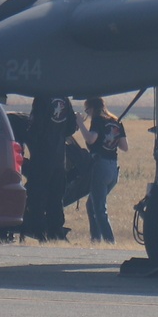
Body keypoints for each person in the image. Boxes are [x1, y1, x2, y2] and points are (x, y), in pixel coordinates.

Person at [23, 95, 80, 241]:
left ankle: (39, 231)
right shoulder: (65, 99)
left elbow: (35, 127)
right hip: (59, 158)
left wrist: (32, 144)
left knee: (37, 195)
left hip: (41, 157)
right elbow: (71, 127)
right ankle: (55, 231)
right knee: (56, 198)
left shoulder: (42, 98)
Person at [82, 95, 128, 245]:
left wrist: (79, 124)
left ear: (93, 108)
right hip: (113, 168)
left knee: (100, 209)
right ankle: (95, 241)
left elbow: (91, 139)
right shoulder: (116, 122)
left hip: (100, 166)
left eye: (87, 110)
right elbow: (124, 147)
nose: (87, 113)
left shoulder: (98, 120)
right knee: (92, 205)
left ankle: (109, 242)